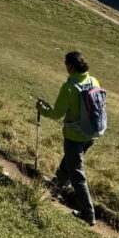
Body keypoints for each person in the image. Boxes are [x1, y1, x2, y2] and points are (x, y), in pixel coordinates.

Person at [37, 51, 101, 226]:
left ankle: (88, 214)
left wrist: (42, 109)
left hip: (74, 134)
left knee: (77, 173)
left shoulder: (70, 87)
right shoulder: (93, 81)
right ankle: (55, 189)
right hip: (91, 134)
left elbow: (56, 114)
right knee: (69, 162)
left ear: (71, 66)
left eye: (66, 64)